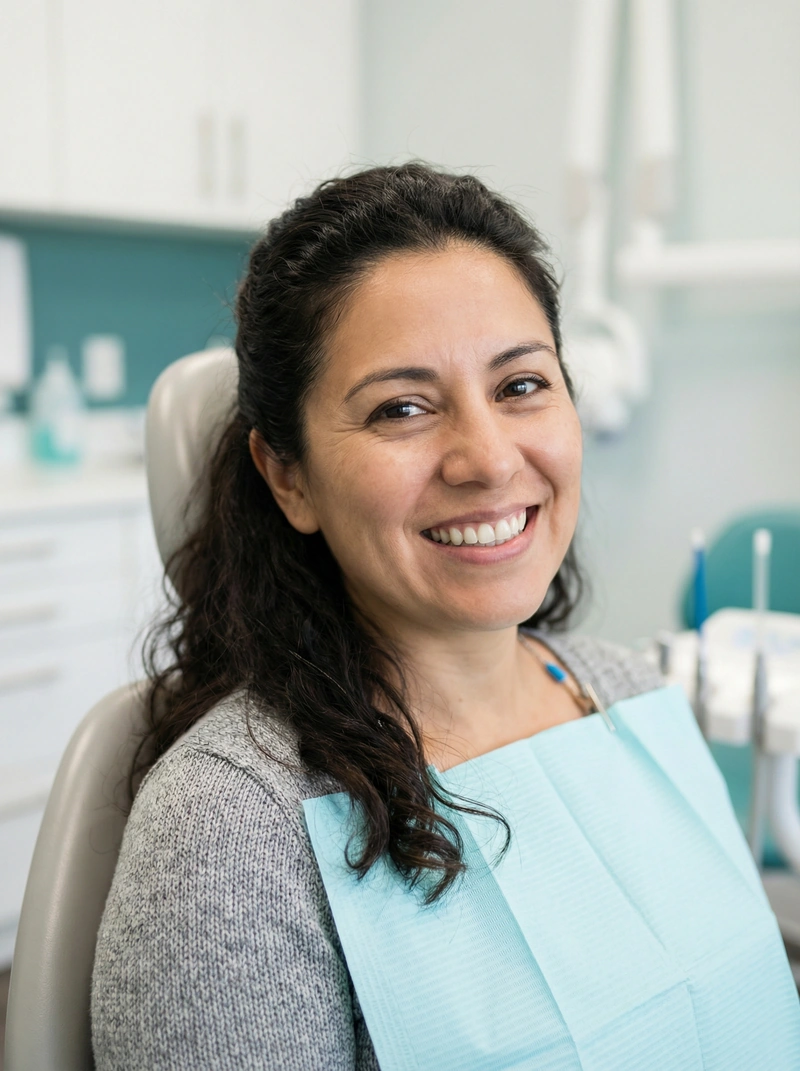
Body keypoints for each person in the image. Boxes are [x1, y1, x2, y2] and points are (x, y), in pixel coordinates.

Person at [91, 164, 800, 1070]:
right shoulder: (233, 826)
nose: (488, 459)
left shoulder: (630, 693)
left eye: (520, 386)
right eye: (403, 407)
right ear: (288, 475)